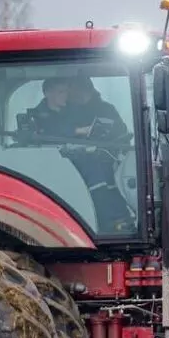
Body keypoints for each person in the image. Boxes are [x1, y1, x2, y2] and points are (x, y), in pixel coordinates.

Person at [23, 74, 135, 233]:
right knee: (94, 171)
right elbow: (45, 134)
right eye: (61, 92)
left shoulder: (72, 112)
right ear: (48, 93)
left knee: (106, 170)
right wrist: (79, 131)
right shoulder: (35, 116)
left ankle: (119, 219)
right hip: (52, 166)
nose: (66, 96)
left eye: (66, 92)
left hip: (79, 158)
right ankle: (103, 221)